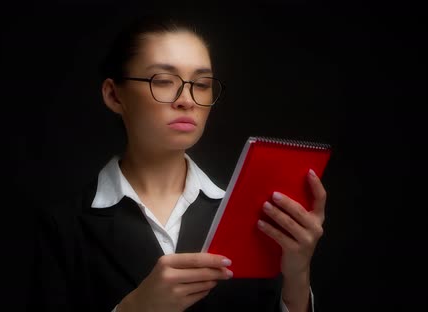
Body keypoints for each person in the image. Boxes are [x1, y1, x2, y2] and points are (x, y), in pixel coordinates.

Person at [32, 15, 327, 312]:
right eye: (162, 81)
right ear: (113, 95)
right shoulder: (61, 227)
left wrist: (297, 276)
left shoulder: (251, 216)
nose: (186, 100)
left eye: (201, 84)